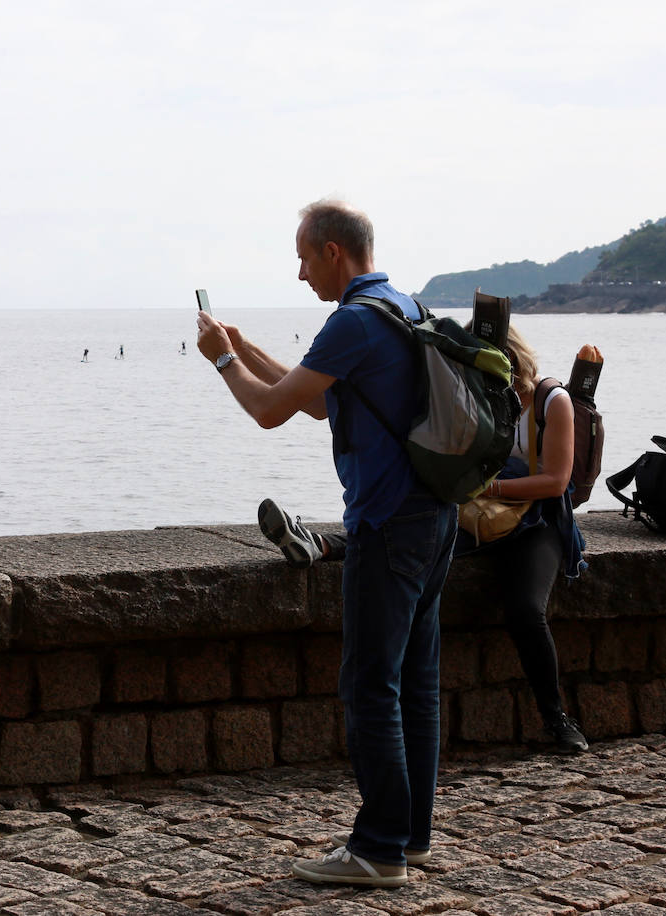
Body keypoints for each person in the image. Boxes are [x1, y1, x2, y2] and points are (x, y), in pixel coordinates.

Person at [197, 200, 454, 888]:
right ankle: (411, 836)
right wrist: (248, 347)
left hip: (386, 523)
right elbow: (318, 399)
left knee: (370, 687)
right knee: (416, 686)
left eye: (304, 258)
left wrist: (223, 360)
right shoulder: (405, 307)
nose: (301, 273)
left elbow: (269, 411)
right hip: (436, 516)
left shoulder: (352, 320)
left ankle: (379, 849)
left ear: (333, 252)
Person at [258, 325, 591, 755]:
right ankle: (318, 544)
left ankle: (556, 717)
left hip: (535, 523)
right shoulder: (474, 398)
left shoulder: (551, 400)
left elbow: (555, 481)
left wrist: (485, 487)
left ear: (513, 361)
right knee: (410, 539)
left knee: (526, 610)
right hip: (480, 516)